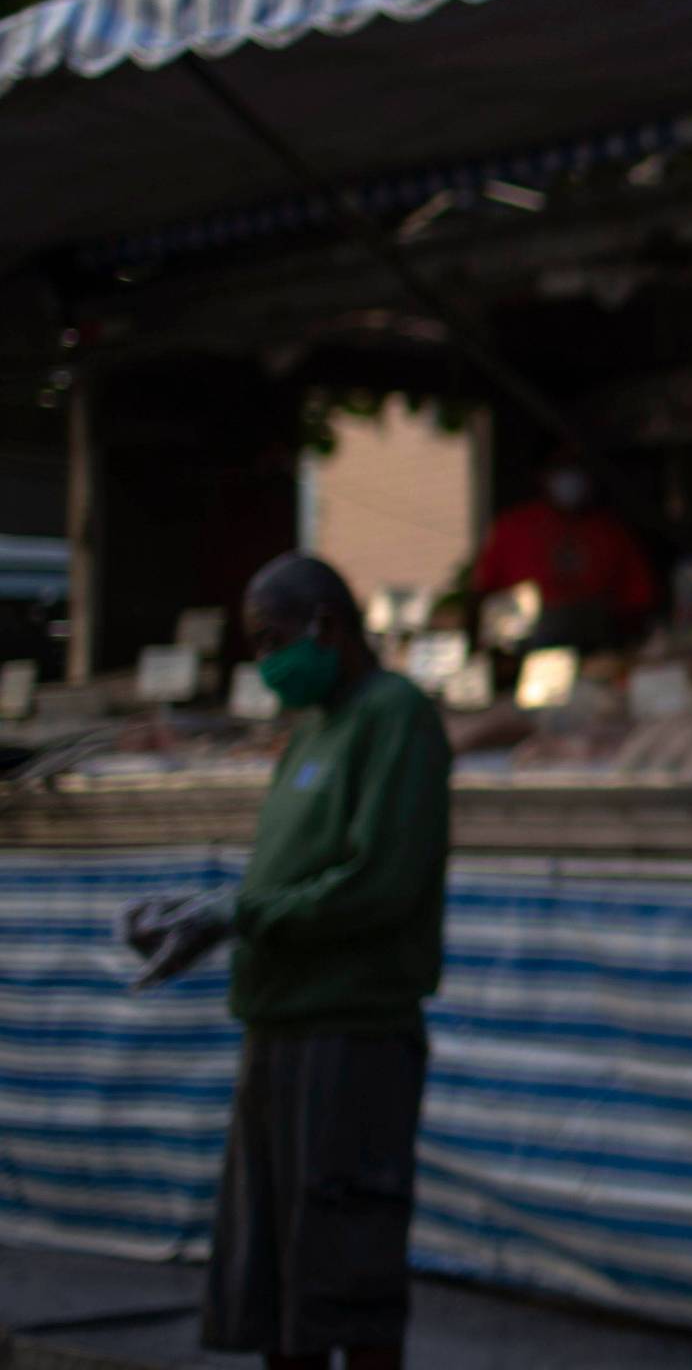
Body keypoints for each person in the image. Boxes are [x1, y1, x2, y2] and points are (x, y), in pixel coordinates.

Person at [121, 553, 452, 1370]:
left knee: (349, 1271)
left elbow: (380, 881)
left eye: (273, 639)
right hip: (279, 1028)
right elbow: (296, 873)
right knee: (277, 1287)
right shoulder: (314, 728)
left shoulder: (394, 714)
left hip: (351, 1035)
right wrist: (208, 919)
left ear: (325, 626)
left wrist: (245, 913)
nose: (266, 661)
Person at [470, 451, 656, 651]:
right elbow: (483, 590)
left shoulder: (608, 531)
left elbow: (637, 599)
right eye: (561, 468)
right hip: (525, 652)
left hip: (596, 650)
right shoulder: (515, 526)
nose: (569, 479)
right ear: (544, 475)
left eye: (576, 468)